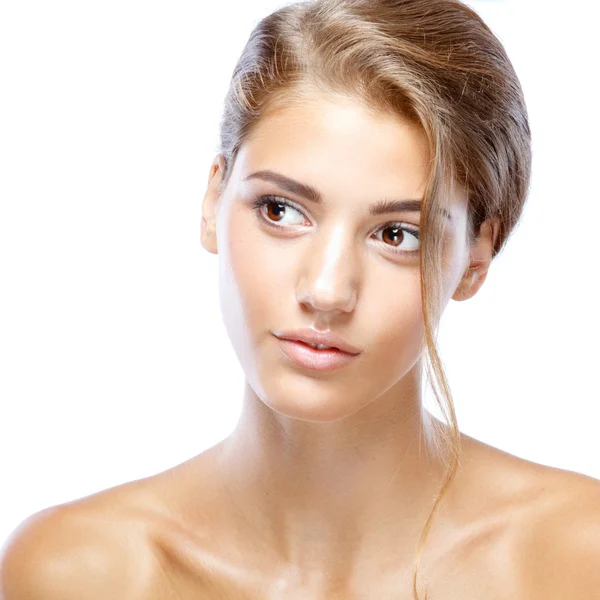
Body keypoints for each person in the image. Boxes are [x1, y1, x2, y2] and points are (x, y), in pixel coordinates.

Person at [1, 0, 599, 598]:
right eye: (281, 210)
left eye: (397, 235)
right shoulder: (73, 574)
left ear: (477, 256)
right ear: (214, 201)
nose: (327, 291)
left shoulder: (575, 559)